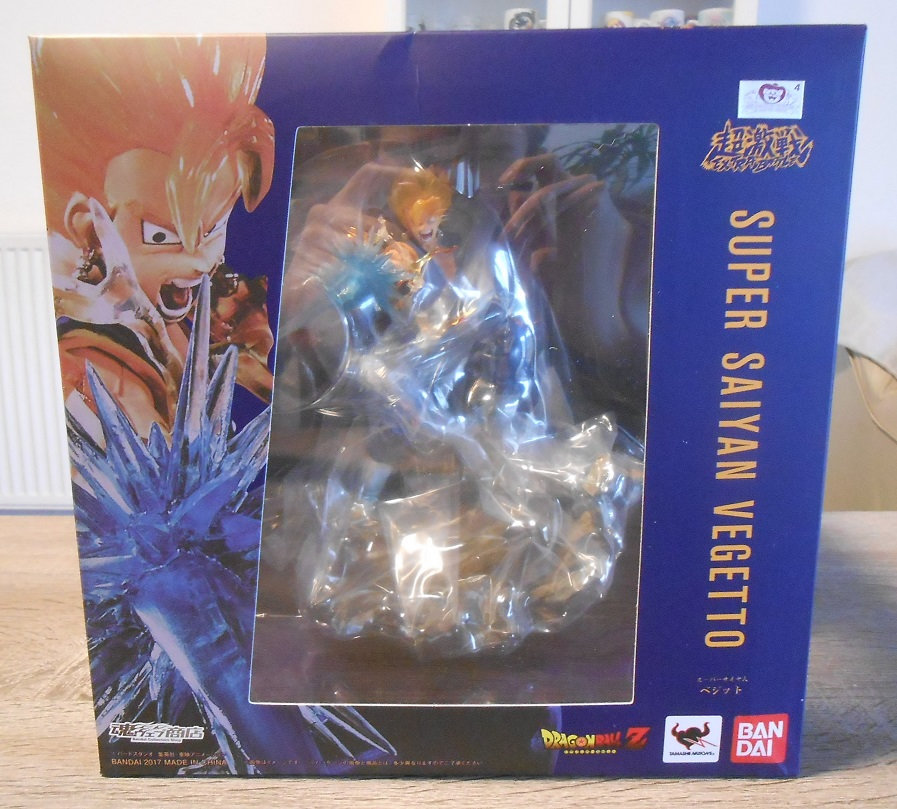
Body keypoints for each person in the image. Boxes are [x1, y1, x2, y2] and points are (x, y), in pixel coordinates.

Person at [32, 36, 276, 438]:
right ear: (90, 229)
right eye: (160, 236)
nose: (200, 261)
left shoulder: (194, 320)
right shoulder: (91, 368)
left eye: (214, 229)